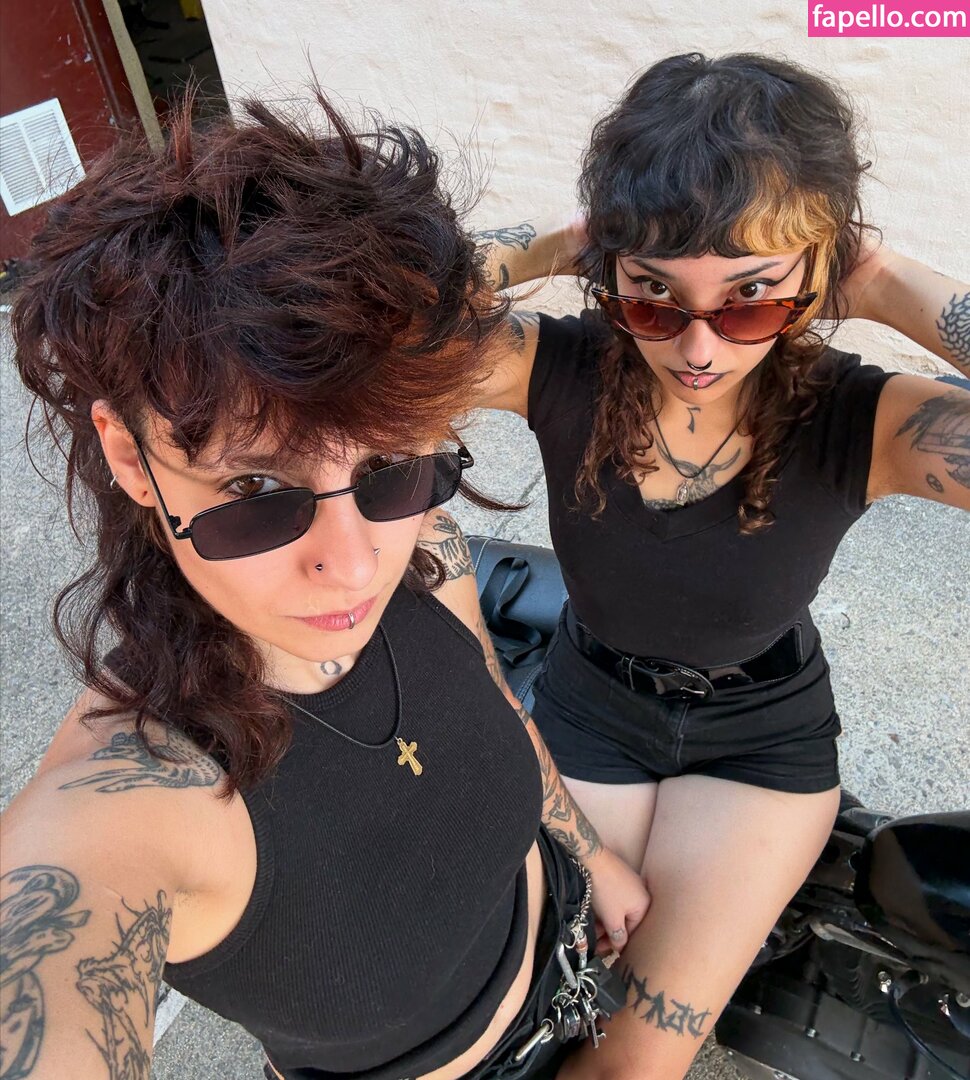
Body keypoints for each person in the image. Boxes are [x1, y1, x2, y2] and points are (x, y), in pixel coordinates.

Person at [0, 92, 650, 1080]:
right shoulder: (127, 803)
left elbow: (488, 697)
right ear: (130, 458)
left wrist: (588, 854)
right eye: (256, 491)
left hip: (566, 953)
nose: (352, 564)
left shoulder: (420, 536)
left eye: (389, 464)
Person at [471, 52, 970, 1079]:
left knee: (628, 1065)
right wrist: (565, 242)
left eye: (750, 301)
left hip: (758, 742)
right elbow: (336, 328)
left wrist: (883, 281)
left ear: (816, 273)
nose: (698, 348)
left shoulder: (862, 419)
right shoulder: (560, 366)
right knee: (505, 1018)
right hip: (590, 703)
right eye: (654, 299)